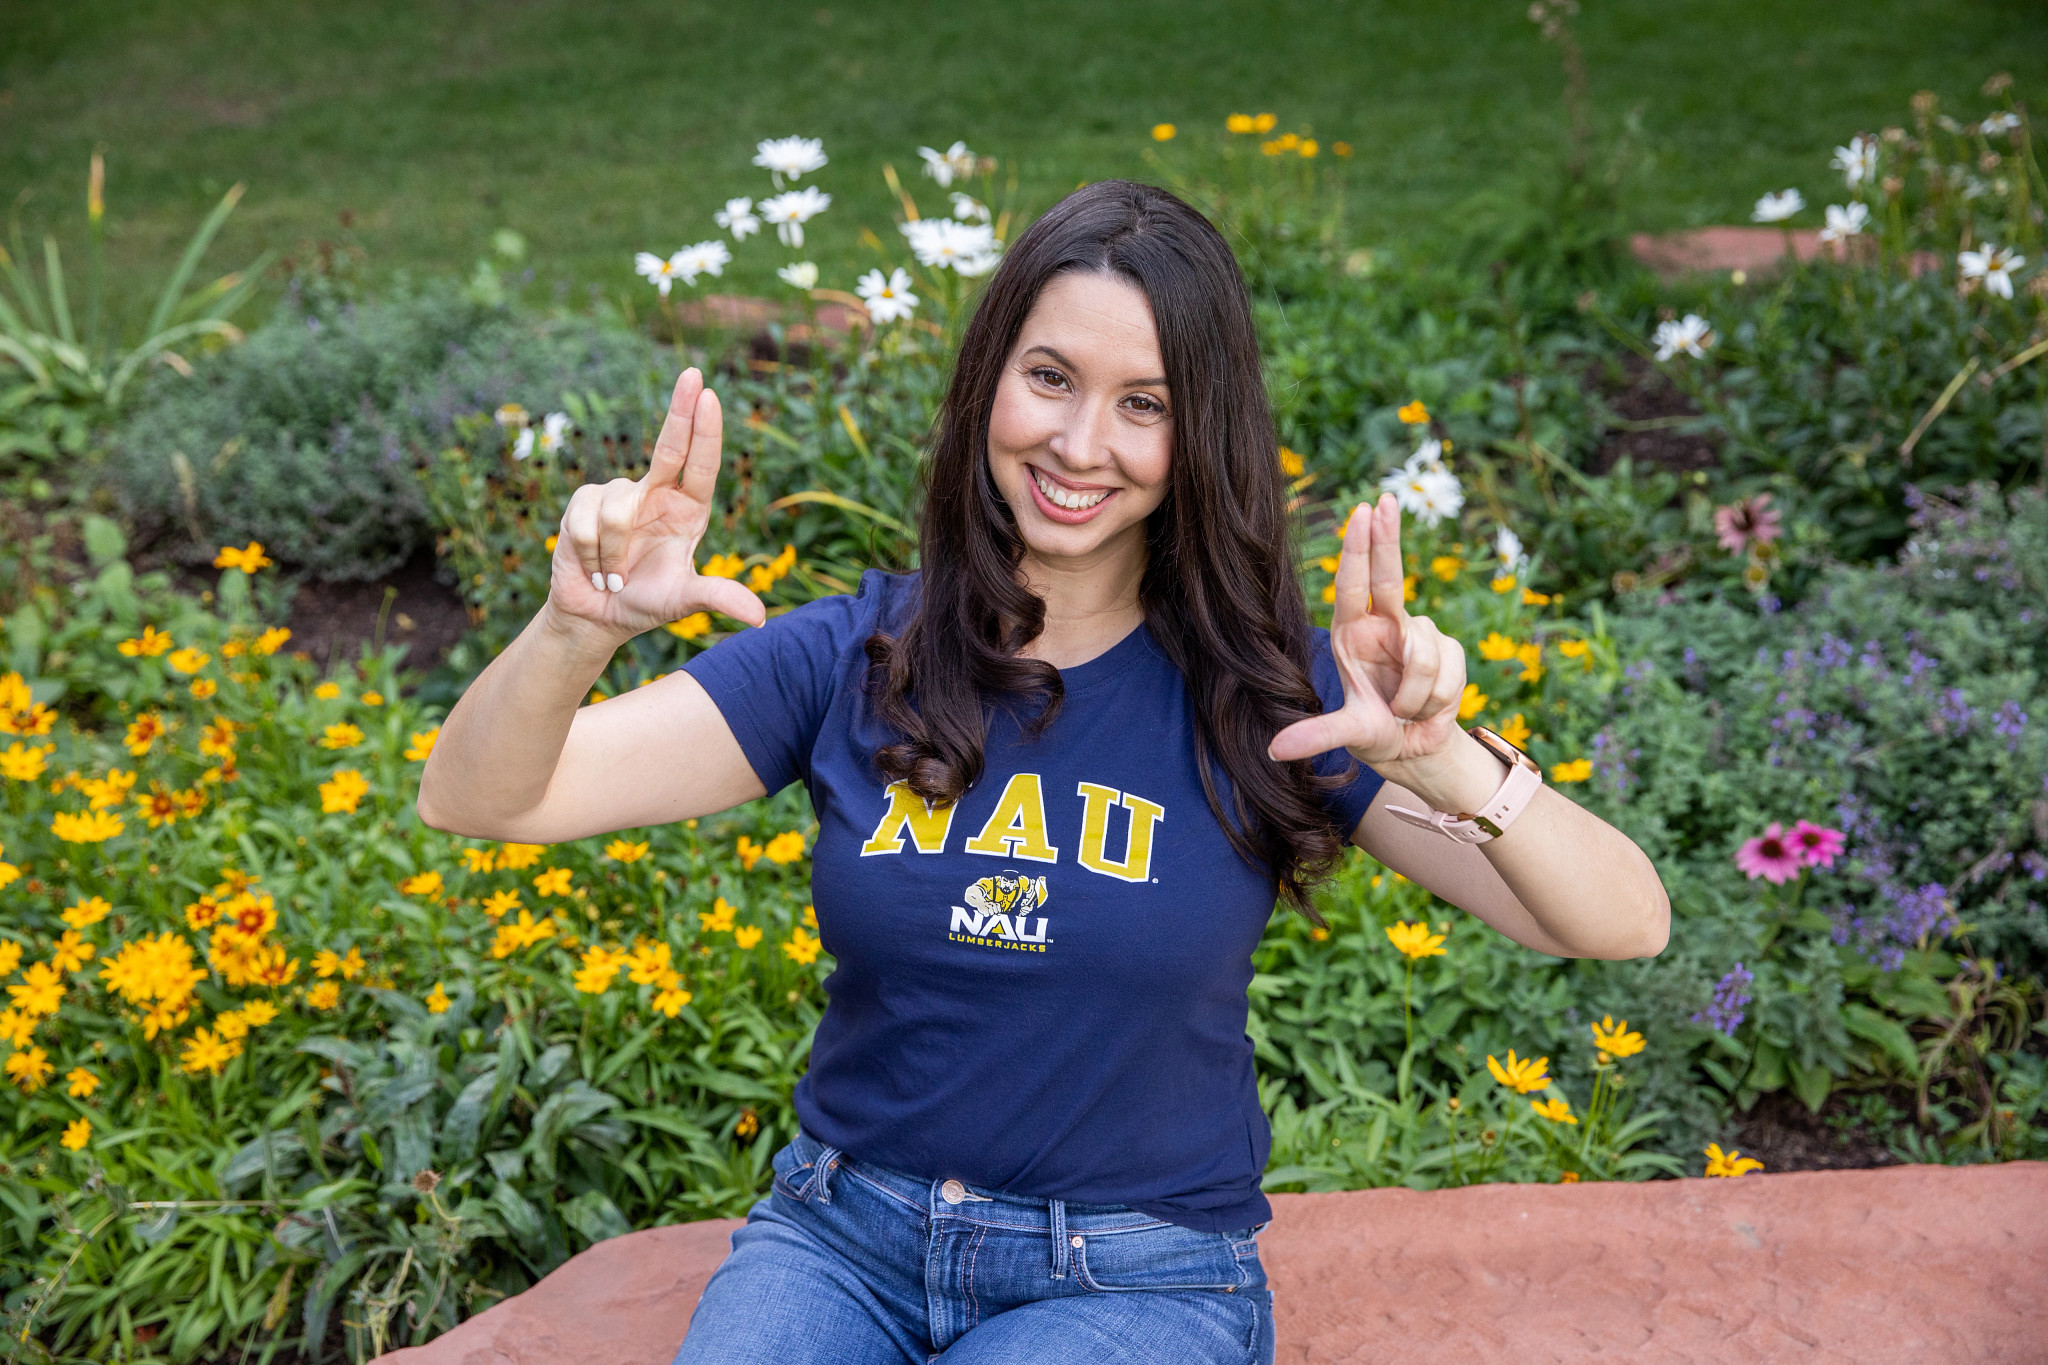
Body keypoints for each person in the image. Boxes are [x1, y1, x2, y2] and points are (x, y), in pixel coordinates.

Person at [416, 179, 1670, 1365]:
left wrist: (1447, 760)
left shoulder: (1275, 698)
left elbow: (1619, 922)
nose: (1080, 443)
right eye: (1050, 378)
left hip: (1136, 1277)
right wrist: (575, 629)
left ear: (1199, 433)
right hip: (841, 1242)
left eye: (1145, 402)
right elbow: (482, 798)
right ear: (988, 385)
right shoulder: (854, 658)